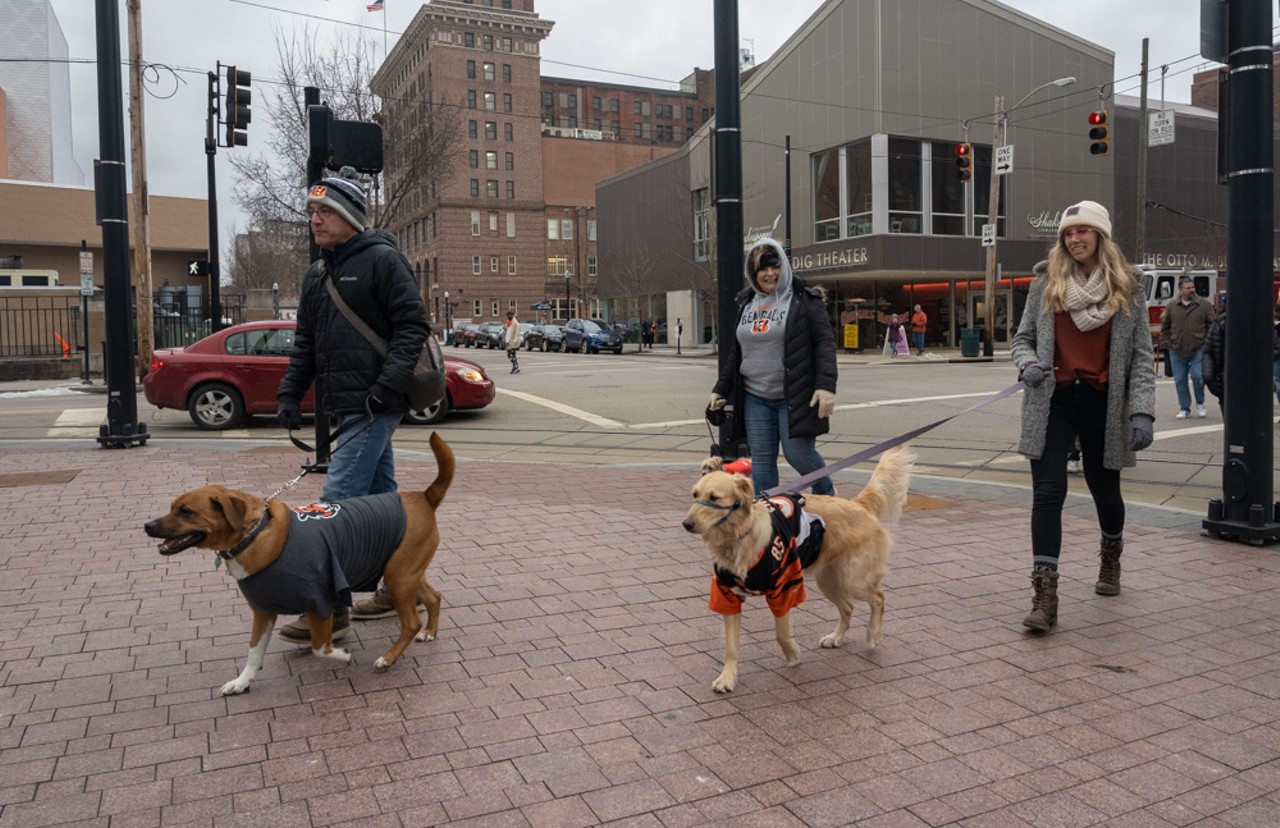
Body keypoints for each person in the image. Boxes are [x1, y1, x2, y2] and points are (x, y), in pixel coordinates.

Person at [275, 166, 429, 642]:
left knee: (335, 506)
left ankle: (330, 611)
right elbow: (306, 344)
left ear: (350, 216)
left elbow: (412, 327)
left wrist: (387, 385)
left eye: (325, 211)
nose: (315, 220)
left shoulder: (383, 260)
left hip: (374, 404)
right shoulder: (316, 274)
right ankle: (398, 589)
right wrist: (289, 392)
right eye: (312, 212)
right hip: (346, 405)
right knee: (384, 503)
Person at [1009, 200, 1155, 632]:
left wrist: (1143, 411)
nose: (1074, 239)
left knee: (1104, 491)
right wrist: (1027, 363)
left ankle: (1111, 555)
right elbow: (1022, 339)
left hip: (1103, 402)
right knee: (1048, 493)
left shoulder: (1127, 288)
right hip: (1052, 400)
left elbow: (1143, 358)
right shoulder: (1045, 284)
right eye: (1067, 234)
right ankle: (1045, 596)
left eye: (1082, 232)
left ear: (1100, 237)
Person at [708, 237, 837, 497]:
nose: (770, 273)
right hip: (756, 397)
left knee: (799, 455)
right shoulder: (746, 303)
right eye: (762, 269)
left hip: (795, 395)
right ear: (753, 274)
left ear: (784, 266)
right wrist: (720, 389)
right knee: (763, 462)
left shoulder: (804, 300)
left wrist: (826, 386)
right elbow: (737, 352)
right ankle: (767, 515)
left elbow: (825, 343)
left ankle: (827, 493)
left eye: (774, 266)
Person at [1159, 276, 1215, 419]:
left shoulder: (1204, 305)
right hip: (1176, 349)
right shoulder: (1171, 306)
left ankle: (1200, 403)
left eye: (1193, 287)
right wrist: (1167, 343)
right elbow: (1165, 327)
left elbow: (1212, 326)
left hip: (1198, 348)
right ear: (1180, 290)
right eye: (1188, 288)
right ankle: (1184, 408)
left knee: (1197, 376)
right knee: (1180, 380)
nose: (1192, 290)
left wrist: (1207, 343)